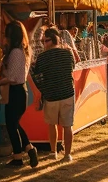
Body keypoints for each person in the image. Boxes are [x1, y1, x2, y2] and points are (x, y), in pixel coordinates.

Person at [0, 21, 39, 167]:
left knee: (12, 125)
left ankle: (19, 157)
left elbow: (12, 78)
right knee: (15, 124)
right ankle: (29, 150)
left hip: (15, 91)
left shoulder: (15, 53)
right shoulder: (23, 50)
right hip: (20, 91)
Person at [31, 28, 77, 162]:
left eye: (46, 40)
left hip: (51, 95)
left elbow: (37, 71)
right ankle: (67, 154)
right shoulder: (67, 53)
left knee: (52, 124)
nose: (44, 43)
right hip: (67, 93)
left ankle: (53, 152)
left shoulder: (42, 57)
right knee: (67, 125)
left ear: (53, 40)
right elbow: (72, 67)